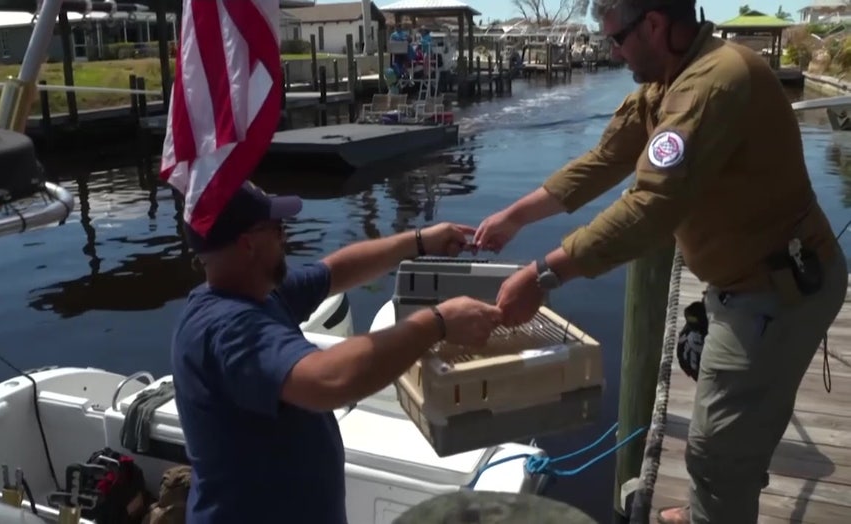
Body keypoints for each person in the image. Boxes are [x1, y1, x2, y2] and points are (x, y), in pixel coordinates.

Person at [473, 1, 847, 523]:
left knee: (717, 449)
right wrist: (515, 216)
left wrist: (544, 275)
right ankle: (712, 505)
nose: (611, 50)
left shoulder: (711, 84)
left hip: (775, 290)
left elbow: (649, 208)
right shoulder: (665, 83)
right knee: (733, 433)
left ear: (652, 24)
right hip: (741, 281)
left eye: (615, 39)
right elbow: (603, 160)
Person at [171, 180, 501, 524]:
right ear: (248, 244)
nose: (284, 237)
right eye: (278, 228)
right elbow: (329, 380)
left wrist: (418, 241)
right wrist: (437, 323)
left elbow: (333, 272)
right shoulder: (228, 329)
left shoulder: (257, 292)